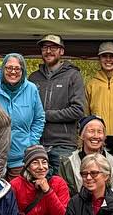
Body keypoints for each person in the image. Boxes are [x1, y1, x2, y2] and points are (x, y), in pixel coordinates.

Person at [29, 34, 86, 178]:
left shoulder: (73, 76)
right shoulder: (33, 78)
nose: (48, 51)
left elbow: (78, 110)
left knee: (64, 189)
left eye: (53, 47)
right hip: (37, 144)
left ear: (61, 51)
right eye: (45, 47)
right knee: (39, 190)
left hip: (64, 145)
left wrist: (45, 115)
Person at [0, 53, 44, 178]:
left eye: (17, 68)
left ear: (23, 70)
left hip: (21, 158)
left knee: (19, 195)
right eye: (9, 68)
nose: (13, 72)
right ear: (3, 69)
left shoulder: (31, 89)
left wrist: (31, 143)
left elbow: (39, 118)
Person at [10, 144, 69, 215]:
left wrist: (48, 191)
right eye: (35, 163)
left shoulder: (58, 183)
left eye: (44, 162)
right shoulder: (15, 185)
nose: (41, 167)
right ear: (27, 167)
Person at [62, 115, 113, 197]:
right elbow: (63, 193)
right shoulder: (68, 163)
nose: (96, 136)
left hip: (108, 207)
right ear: (82, 135)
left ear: (104, 136)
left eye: (99, 132)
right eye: (91, 131)